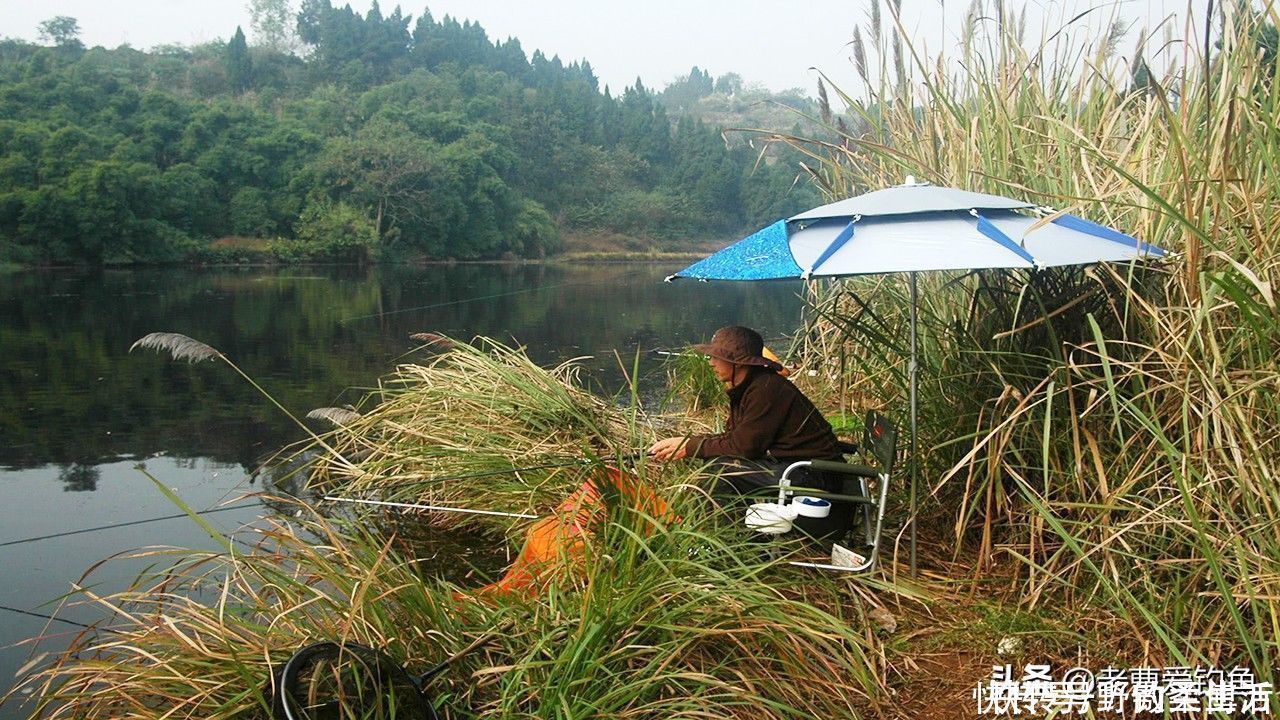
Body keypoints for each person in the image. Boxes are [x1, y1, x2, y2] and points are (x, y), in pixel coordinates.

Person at [648, 325, 846, 501]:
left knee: (723, 471)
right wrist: (686, 443)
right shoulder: (751, 387)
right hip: (797, 468)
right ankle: (742, 532)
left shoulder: (766, 389)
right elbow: (736, 439)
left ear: (739, 363)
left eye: (717, 357)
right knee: (719, 463)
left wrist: (690, 447)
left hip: (817, 476)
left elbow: (743, 448)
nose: (711, 363)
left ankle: (723, 537)